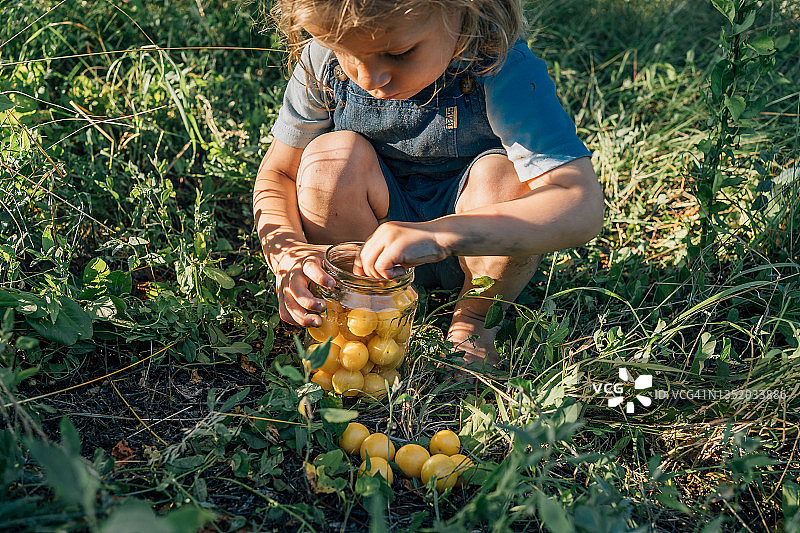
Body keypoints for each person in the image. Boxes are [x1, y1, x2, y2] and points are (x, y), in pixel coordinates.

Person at [253, 0, 604, 369]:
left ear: (464, 9)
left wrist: (439, 235)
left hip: (474, 247)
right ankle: (367, 304)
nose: (371, 80)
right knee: (330, 159)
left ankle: (473, 321)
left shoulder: (500, 67)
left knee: (503, 177)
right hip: (370, 252)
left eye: (399, 52)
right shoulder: (322, 64)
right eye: (345, 53)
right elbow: (280, 173)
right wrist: (288, 255)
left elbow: (579, 204)